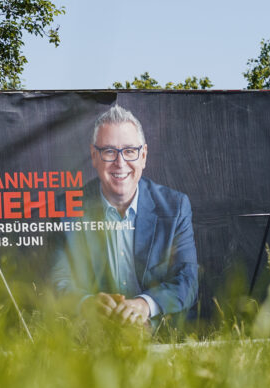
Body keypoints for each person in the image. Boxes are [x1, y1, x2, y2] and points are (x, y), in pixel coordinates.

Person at [52, 105, 198, 326]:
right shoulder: (66, 209)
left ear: (143, 156)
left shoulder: (175, 207)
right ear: (94, 156)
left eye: (130, 151)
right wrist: (87, 304)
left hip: (158, 335)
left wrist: (144, 305)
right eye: (109, 151)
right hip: (93, 337)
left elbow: (187, 280)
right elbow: (58, 280)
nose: (120, 163)